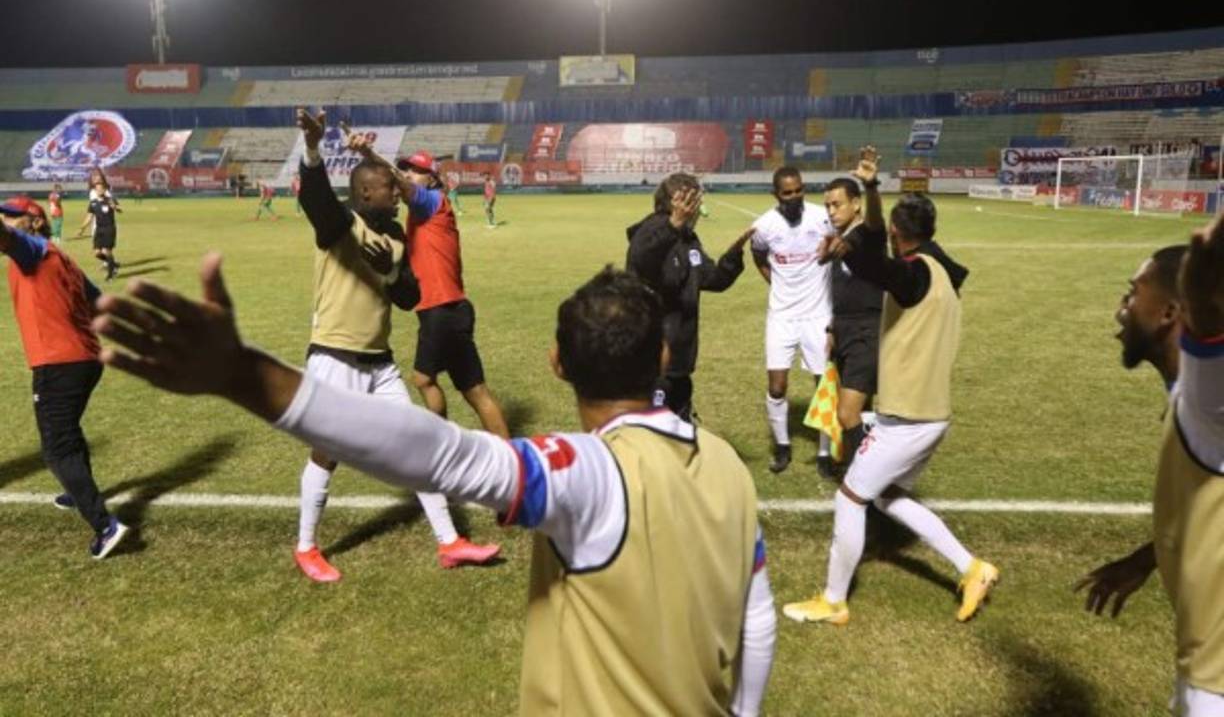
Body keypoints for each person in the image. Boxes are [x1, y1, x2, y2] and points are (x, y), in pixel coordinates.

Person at [92, 260, 776, 716]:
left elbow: (443, 454)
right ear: (663, 356)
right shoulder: (724, 465)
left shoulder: (592, 475)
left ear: (558, 365)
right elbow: (757, 618)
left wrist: (247, 377)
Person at [784, 147, 998, 626]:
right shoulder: (944, 271)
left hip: (909, 418)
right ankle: (973, 568)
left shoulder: (915, 274)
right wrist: (872, 204)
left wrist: (852, 249)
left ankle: (834, 601)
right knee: (888, 496)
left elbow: (882, 265)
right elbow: (884, 251)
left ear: (898, 235)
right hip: (932, 413)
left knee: (851, 497)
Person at [289, 108, 498, 581]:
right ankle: (306, 547)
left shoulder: (397, 234)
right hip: (334, 355)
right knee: (327, 452)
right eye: (390, 185)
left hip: (379, 361)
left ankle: (450, 542)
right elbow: (316, 199)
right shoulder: (339, 224)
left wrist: (387, 271)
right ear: (367, 192)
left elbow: (409, 297)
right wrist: (313, 148)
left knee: (417, 446)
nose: (397, 191)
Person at [1076, 227, 1224, 717]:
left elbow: (1210, 333)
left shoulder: (1205, 399)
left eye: (1132, 293)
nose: (1121, 308)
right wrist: (1144, 560)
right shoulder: (1188, 399)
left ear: (1169, 314)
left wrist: (1201, 281)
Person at [0, 196, 128, 559]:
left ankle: (106, 525)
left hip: (58, 364)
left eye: (13, 216)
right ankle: (77, 492)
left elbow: (6, 239)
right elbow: (98, 300)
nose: (6, 221)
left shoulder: (31, 250)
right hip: (86, 360)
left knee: (56, 448)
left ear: (35, 222)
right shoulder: (62, 258)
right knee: (68, 430)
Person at [395, 149, 512, 440]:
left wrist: (367, 153)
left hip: (441, 309)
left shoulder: (431, 202)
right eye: (405, 169)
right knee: (475, 390)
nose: (409, 174)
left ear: (432, 177)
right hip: (451, 308)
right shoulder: (428, 206)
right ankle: (511, 457)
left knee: (423, 379)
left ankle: (443, 447)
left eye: (415, 170)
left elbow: (407, 189)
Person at [625, 173, 752, 421]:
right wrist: (672, 225)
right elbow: (641, 261)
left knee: (681, 431)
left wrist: (732, 257)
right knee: (653, 435)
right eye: (695, 202)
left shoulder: (688, 239)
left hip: (681, 357)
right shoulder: (649, 231)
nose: (698, 210)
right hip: (652, 359)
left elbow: (712, 279)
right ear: (678, 202)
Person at [749, 166, 835, 475]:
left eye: (799, 189)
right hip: (782, 316)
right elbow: (758, 256)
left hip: (818, 314)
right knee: (777, 386)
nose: (795, 196)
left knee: (823, 384)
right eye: (787, 192)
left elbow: (839, 247)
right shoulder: (763, 226)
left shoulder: (822, 217)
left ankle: (825, 453)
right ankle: (783, 447)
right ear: (776, 194)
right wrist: (777, 284)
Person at [823, 176, 883, 470]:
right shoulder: (842, 239)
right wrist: (832, 328)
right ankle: (865, 470)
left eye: (837, 204)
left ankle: (859, 479)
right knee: (860, 410)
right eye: (828, 206)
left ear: (856, 204)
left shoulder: (868, 235)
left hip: (866, 332)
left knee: (847, 414)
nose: (831, 211)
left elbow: (875, 220)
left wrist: (870, 187)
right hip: (846, 330)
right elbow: (842, 292)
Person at [80, 179, 120, 281]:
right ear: (95, 191)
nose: (99, 191)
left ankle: (110, 275)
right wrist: (82, 228)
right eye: (97, 189)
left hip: (109, 229)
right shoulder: (93, 203)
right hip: (99, 229)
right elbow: (89, 217)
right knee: (97, 253)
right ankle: (113, 264)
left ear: (105, 190)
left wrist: (114, 207)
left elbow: (119, 209)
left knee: (107, 251)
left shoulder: (110, 200)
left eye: (101, 189)